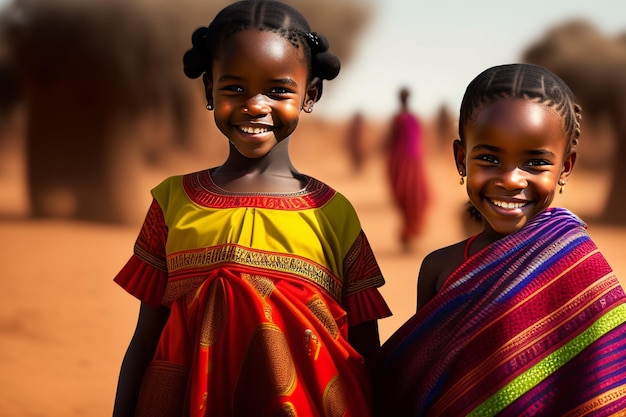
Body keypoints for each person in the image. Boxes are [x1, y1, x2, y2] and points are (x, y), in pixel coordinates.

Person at [111, 1, 392, 416]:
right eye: (234, 88)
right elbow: (145, 337)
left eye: (278, 90)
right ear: (209, 89)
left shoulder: (333, 212)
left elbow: (363, 350)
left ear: (310, 94)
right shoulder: (173, 202)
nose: (255, 105)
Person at [373, 63, 626, 416]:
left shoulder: (581, 266)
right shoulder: (438, 267)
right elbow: (422, 382)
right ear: (461, 159)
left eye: (535, 162)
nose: (510, 180)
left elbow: (601, 384)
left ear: (565, 168)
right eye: (489, 158)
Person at [384, 87, 430, 251]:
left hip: (406, 164)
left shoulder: (403, 119)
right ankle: (408, 234)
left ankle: (409, 233)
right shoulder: (409, 119)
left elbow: (388, 142)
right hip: (409, 164)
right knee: (411, 198)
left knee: (413, 198)